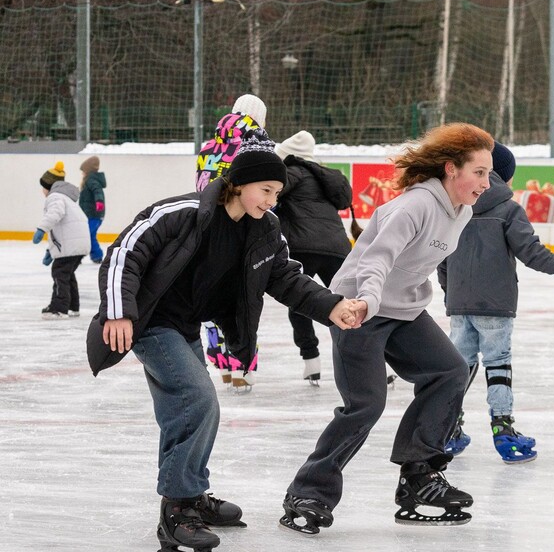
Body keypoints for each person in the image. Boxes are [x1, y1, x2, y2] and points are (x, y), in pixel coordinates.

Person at [85, 133, 366, 552]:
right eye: (266, 190)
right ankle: (178, 508)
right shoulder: (183, 211)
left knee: (191, 411)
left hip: (185, 327)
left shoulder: (265, 229)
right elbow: (127, 251)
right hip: (150, 322)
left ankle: (190, 493)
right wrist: (118, 310)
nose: (272, 201)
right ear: (239, 183)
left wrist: (331, 307)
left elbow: (286, 278)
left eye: (277, 193)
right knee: (197, 400)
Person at [280, 123, 494, 536]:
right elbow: (376, 259)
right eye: (479, 172)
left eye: (488, 174)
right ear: (451, 169)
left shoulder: (461, 211)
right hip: (357, 306)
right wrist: (367, 302)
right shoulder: (413, 206)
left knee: (449, 370)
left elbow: (431, 261)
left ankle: (419, 477)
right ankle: (308, 492)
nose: (486, 183)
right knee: (366, 403)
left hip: (405, 310)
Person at [437, 142, 554, 463]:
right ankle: (504, 432)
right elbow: (530, 251)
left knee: (460, 366)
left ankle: (448, 430)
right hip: (496, 305)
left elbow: (441, 257)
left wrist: (451, 293)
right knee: (498, 364)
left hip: (460, 304)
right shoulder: (508, 208)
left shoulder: (455, 206)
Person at [274, 130, 358, 385]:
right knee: (352, 304)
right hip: (337, 248)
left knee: (300, 301)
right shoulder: (325, 177)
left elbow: (269, 197)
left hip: (303, 248)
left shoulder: (290, 173)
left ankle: (311, 361)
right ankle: (377, 360)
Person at [195, 93, 267, 390]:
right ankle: (242, 369)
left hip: (206, 227)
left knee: (210, 298)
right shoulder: (257, 145)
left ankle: (221, 366)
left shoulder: (207, 146)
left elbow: (201, 186)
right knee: (243, 299)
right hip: (242, 229)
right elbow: (262, 194)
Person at [33, 161, 90, 319]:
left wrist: (41, 229)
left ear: (49, 186)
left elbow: (54, 215)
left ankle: (59, 308)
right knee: (68, 275)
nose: (42, 191)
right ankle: (73, 306)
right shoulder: (67, 199)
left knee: (59, 274)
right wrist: (50, 252)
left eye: (43, 187)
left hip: (71, 245)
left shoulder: (55, 197)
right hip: (78, 244)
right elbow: (63, 230)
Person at [78, 155, 106, 263]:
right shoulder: (90, 180)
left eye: (83, 171)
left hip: (94, 214)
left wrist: (99, 202)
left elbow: (97, 191)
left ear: (87, 171)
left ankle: (77, 256)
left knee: (85, 236)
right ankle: (97, 256)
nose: (82, 174)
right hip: (91, 214)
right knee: (90, 236)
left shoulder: (91, 180)